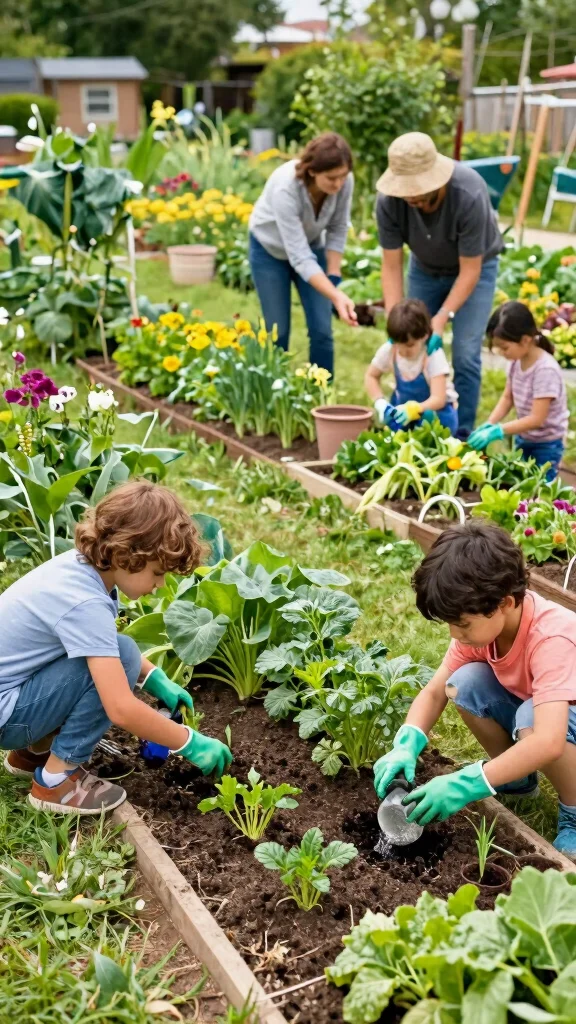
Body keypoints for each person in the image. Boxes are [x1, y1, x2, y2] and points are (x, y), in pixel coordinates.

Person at [0, 481, 232, 815]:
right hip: (7, 716)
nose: (160, 584)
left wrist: (154, 678)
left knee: (119, 652)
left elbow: (101, 645)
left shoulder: (81, 569)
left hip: (10, 697)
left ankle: (32, 753)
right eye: (157, 572)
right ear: (128, 554)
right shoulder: (85, 602)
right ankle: (57, 782)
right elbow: (120, 707)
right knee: (120, 659)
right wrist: (187, 741)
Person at [373, 521, 576, 858]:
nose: (455, 634)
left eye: (463, 624)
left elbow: (549, 741)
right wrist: (407, 743)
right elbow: (437, 691)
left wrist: (467, 783)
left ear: (504, 603)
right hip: (543, 711)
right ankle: (514, 779)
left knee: (533, 720)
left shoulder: (552, 637)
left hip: (558, 723)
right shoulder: (483, 632)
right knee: (462, 684)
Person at [376, 132, 503, 438]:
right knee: (412, 344)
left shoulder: (468, 192)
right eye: (406, 192)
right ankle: (412, 426)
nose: (411, 199)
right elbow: (391, 264)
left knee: (465, 352)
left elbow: (470, 270)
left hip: (476, 268)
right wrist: (397, 321)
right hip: (424, 266)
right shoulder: (389, 203)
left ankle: (463, 437)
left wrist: (442, 316)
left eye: (417, 192)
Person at [249, 132, 357, 375]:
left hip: (311, 245)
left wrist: (333, 277)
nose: (338, 184)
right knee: (279, 330)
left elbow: (339, 226)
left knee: (322, 331)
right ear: (312, 171)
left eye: (343, 176)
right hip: (269, 251)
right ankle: (274, 394)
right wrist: (336, 296)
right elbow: (298, 257)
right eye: (331, 178)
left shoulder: (344, 181)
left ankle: (321, 399)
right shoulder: (285, 187)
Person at [467, 301, 568, 480]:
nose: (502, 353)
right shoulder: (516, 362)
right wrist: (490, 424)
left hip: (547, 444)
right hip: (524, 438)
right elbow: (508, 397)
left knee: (541, 489)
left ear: (525, 340)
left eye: (504, 347)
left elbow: (537, 419)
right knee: (521, 483)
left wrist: (499, 430)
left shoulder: (545, 370)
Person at [364, 298, 458, 433]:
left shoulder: (432, 355)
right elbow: (371, 376)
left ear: (425, 336)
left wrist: (416, 408)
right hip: (404, 415)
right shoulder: (390, 349)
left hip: (436, 416)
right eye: (398, 344)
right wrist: (380, 401)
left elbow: (439, 399)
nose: (403, 351)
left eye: (410, 345)